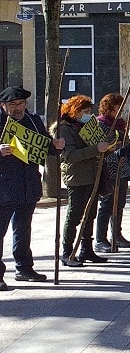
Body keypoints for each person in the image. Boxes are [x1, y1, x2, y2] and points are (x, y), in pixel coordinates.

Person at [0, 86, 63, 287]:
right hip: (4, 187)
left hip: (28, 185)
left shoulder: (33, 121)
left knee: (23, 229)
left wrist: (55, 146)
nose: (18, 108)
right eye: (13, 105)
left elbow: (45, 146)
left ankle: (24, 268)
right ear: (3, 106)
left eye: (21, 104)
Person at [54, 95, 111, 267]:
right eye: (85, 111)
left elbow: (98, 148)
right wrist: (96, 149)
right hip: (77, 177)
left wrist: (106, 148)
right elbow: (69, 156)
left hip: (93, 175)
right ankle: (67, 252)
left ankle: (86, 249)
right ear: (75, 111)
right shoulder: (64, 129)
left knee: (90, 214)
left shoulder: (87, 125)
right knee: (75, 215)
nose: (88, 114)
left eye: (89, 111)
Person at [93, 93, 130, 253]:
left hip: (123, 169)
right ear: (108, 108)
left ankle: (117, 235)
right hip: (109, 170)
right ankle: (100, 239)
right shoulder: (100, 125)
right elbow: (101, 149)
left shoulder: (120, 124)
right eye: (116, 108)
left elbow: (124, 143)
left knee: (119, 204)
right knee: (107, 205)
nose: (120, 112)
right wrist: (115, 153)